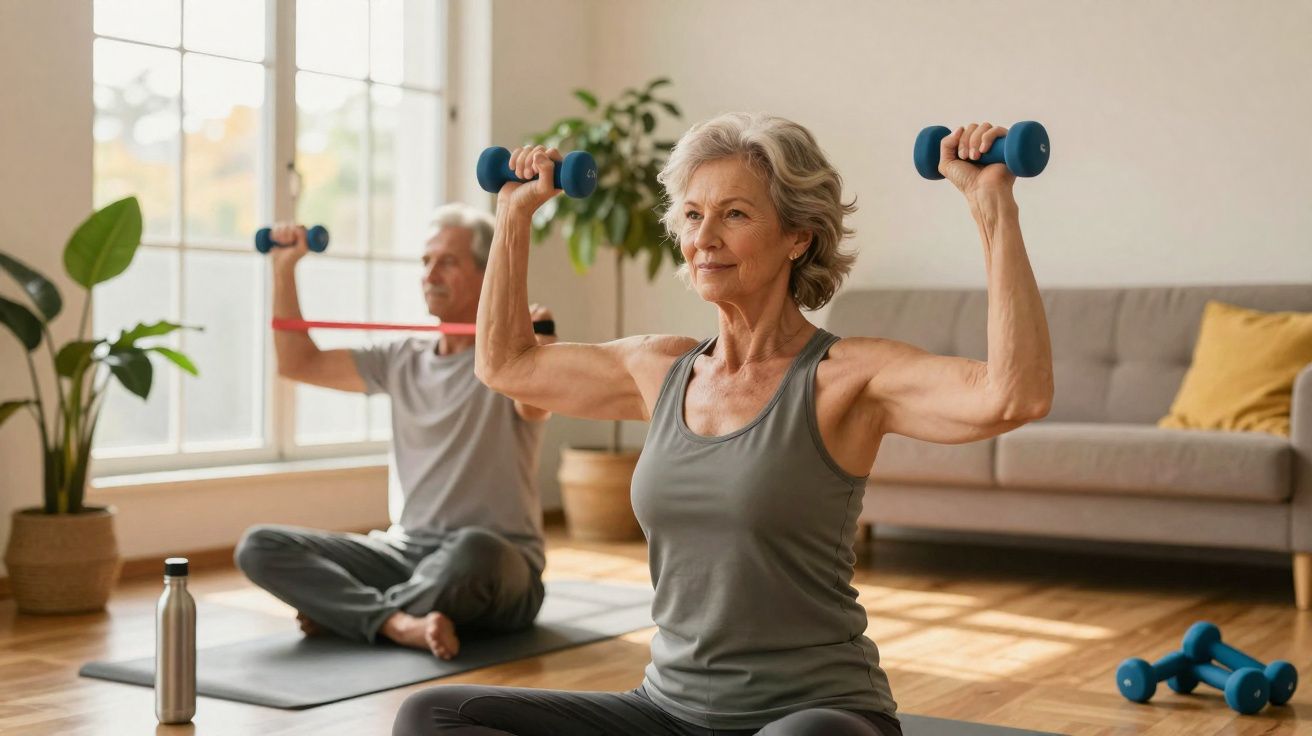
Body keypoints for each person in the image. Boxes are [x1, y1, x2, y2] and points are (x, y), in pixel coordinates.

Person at [393, 113, 1053, 735]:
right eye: (692, 214)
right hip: (668, 710)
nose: (704, 237)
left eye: (734, 214)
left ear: (798, 236)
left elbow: (1014, 396)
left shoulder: (846, 378)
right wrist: (513, 213)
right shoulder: (659, 370)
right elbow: (505, 364)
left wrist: (991, 205)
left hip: (816, 712)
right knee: (434, 715)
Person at [234, 203, 557, 660]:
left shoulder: (511, 362)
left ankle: (353, 614)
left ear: (489, 273)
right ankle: (399, 623)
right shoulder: (401, 358)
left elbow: (535, 403)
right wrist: (284, 267)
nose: (430, 274)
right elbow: (298, 363)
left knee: (475, 550)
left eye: (447, 262)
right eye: (426, 261)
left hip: (497, 565)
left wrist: (537, 349)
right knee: (259, 546)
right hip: (404, 555)